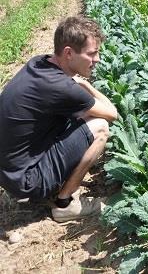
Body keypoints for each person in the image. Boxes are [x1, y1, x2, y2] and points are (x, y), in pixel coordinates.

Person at [0, 16, 117, 222]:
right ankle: (65, 203)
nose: (97, 59)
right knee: (99, 126)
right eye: (92, 54)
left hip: (9, 171)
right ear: (69, 53)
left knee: (78, 115)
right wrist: (88, 86)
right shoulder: (63, 88)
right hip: (26, 180)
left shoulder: (39, 62)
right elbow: (112, 113)